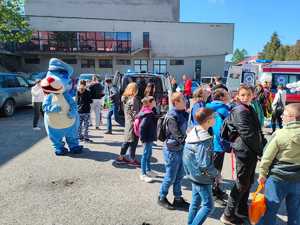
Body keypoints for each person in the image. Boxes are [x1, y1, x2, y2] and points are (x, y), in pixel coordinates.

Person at [220, 85, 267, 224]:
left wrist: (261, 145)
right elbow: (248, 134)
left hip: (250, 150)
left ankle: (240, 209)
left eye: (248, 94)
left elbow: (257, 131)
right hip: (244, 151)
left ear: (253, 95)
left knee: (247, 182)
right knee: (241, 183)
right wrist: (260, 151)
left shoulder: (248, 107)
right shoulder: (240, 110)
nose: (245, 97)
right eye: (243, 95)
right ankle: (228, 215)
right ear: (238, 96)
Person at [258, 103, 300, 225]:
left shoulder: (280, 134)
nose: (281, 116)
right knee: (296, 213)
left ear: (293, 117)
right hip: (298, 179)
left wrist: (262, 174)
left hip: (277, 179)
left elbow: (266, 157)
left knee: (270, 211)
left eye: (284, 114)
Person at [183, 108, 218, 225]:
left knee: (195, 202)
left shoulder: (194, 132)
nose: (215, 119)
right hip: (201, 176)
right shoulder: (204, 140)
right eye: (214, 117)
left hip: (192, 173)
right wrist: (217, 174)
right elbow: (204, 164)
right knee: (208, 206)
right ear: (208, 121)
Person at [158, 92, 190, 211]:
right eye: (183, 99)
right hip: (171, 150)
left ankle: (177, 198)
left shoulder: (184, 114)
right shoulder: (172, 116)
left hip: (180, 149)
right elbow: (177, 134)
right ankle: (161, 197)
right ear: (176, 102)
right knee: (170, 176)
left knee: (180, 175)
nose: (186, 101)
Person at [206, 88, 230, 204]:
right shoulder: (222, 110)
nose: (229, 96)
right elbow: (220, 131)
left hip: (210, 143)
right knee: (215, 169)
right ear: (221, 98)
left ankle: (216, 189)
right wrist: (227, 144)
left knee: (214, 168)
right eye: (226, 95)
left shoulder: (209, 106)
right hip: (218, 145)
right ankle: (213, 193)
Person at [115, 82, 141, 166]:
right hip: (134, 123)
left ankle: (121, 158)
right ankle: (132, 159)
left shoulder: (124, 98)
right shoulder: (134, 99)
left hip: (128, 122)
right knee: (133, 142)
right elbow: (135, 113)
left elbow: (125, 111)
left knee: (127, 141)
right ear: (135, 90)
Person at [138, 96, 158, 183]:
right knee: (145, 155)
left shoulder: (149, 112)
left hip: (149, 137)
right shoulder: (148, 114)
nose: (155, 102)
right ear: (150, 103)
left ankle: (148, 170)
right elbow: (142, 127)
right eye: (154, 101)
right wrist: (142, 139)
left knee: (149, 154)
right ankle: (143, 174)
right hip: (146, 138)